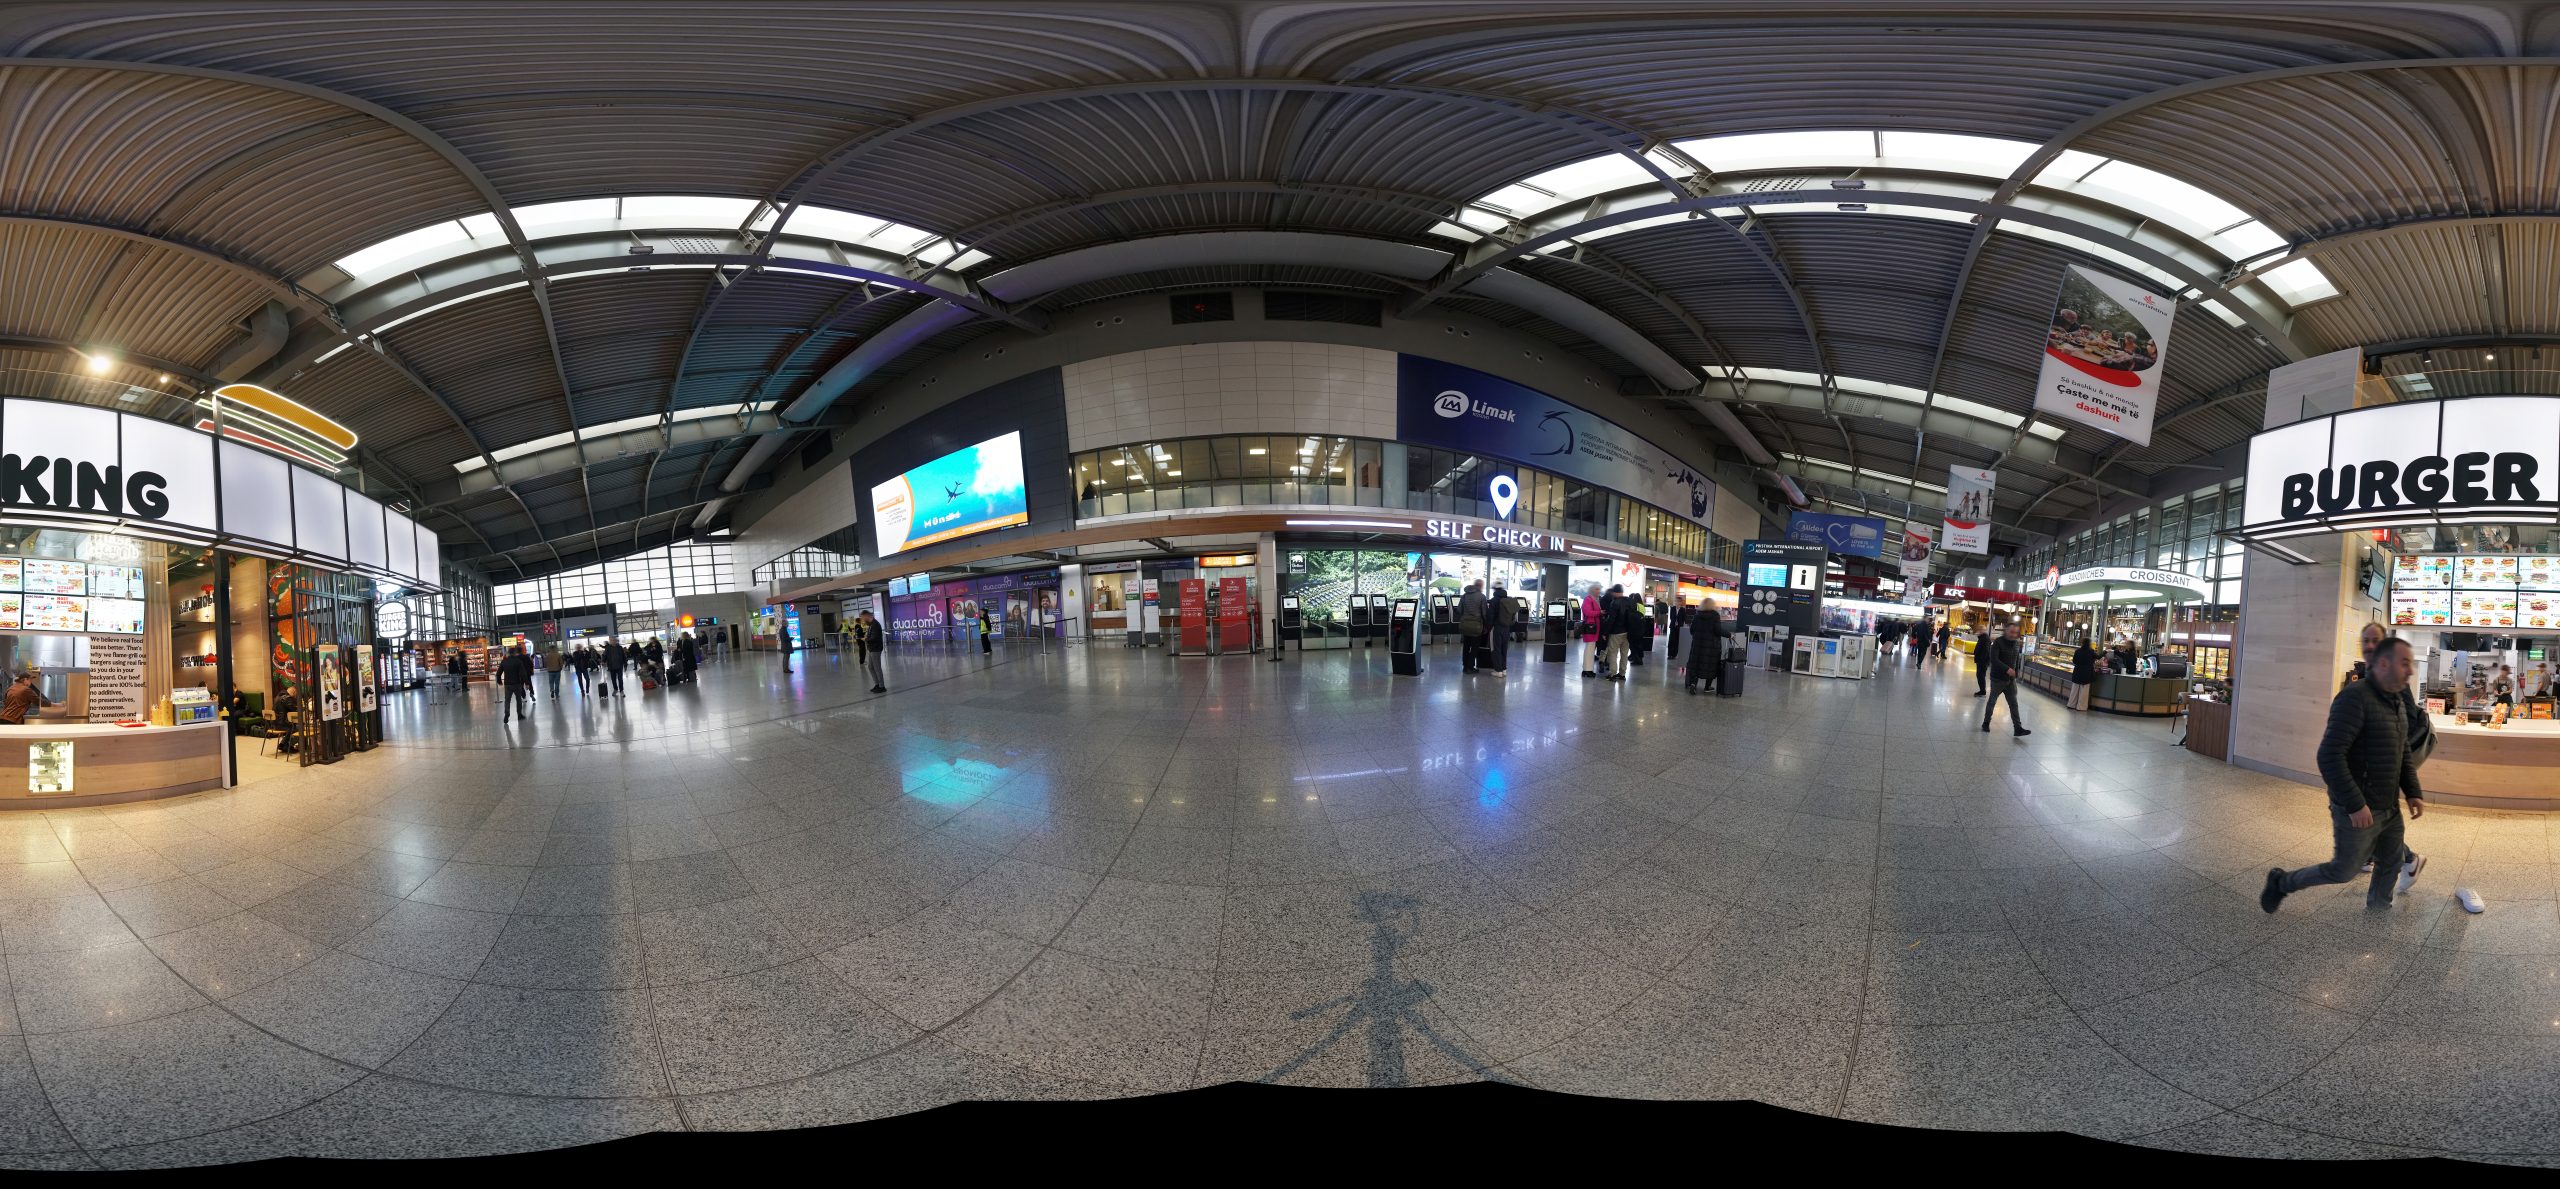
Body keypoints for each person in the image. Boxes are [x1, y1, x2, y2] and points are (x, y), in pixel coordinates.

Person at [2262, 636, 2427, 913]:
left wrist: (2412, 791)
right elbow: (2329, 756)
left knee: (2391, 862)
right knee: (2343, 870)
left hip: (2389, 806)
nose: (2410, 670)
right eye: (2405, 663)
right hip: (2358, 807)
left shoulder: (2397, 700)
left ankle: (2378, 912)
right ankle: (2282, 882)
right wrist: (2355, 804)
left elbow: (2403, 752)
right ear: (2383, 664)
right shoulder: (2354, 698)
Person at [1980, 622, 2031, 738]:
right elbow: (1994, 659)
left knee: (2014, 704)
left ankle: (2018, 728)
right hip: (1997, 679)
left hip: (2010, 680)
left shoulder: (2016, 643)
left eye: (2016, 633)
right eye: (2011, 632)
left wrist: (2016, 672)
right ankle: (1986, 723)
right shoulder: (1998, 642)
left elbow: (2016, 659)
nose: (2014, 635)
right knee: (1992, 701)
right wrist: (2007, 669)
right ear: (2006, 631)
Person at [1684, 602, 1727, 695]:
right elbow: (1718, 630)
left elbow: (1692, 630)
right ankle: (1707, 687)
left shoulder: (1697, 615)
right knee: (1711, 666)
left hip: (1697, 646)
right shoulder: (1715, 615)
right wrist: (1729, 635)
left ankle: (1693, 684)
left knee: (1696, 665)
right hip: (1711, 647)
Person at [1602, 585, 1635, 681]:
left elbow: (1611, 620)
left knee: (1613, 653)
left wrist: (1605, 632)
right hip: (1628, 632)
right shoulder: (1630, 601)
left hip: (1616, 632)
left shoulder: (1614, 603)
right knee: (1624, 654)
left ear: (1615, 592)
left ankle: (1612, 674)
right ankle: (1622, 674)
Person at [498, 645, 534, 722]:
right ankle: (519, 714)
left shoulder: (504, 661)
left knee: (507, 700)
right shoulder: (518, 661)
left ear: (508, 653)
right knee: (518, 699)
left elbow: (498, 673)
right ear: (514, 653)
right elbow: (523, 673)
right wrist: (527, 683)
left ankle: (507, 714)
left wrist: (499, 681)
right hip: (517, 683)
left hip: (507, 684)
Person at [1457, 580, 1486, 674]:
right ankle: (1470, 667)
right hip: (1476, 626)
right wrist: (1485, 624)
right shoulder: (1482, 596)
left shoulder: (1464, 596)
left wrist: (1465, 616)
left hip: (1465, 625)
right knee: (1474, 647)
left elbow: (1459, 609)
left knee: (1466, 646)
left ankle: (1465, 666)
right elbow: (1484, 613)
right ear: (1480, 586)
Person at [856, 610, 887, 693]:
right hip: (871, 649)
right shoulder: (871, 625)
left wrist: (865, 639)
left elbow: (874, 638)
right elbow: (871, 636)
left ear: (866, 616)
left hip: (876, 649)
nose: (862, 620)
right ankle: (877, 684)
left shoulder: (875, 625)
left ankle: (882, 686)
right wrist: (867, 636)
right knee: (871, 667)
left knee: (877, 668)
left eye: (862, 618)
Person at [1487, 585, 1512, 677]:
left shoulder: (1494, 600)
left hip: (1497, 628)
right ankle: (1504, 669)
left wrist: (1488, 627)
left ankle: (1498, 671)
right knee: (1504, 649)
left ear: (1495, 590)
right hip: (1507, 627)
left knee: (1496, 648)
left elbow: (1490, 616)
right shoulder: (1508, 600)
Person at [1580, 590, 1605, 678]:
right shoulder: (1588, 600)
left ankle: (1588, 669)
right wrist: (1599, 612)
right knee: (1589, 649)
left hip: (1593, 628)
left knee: (1591, 649)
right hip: (1590, 628)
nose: (1598, 592)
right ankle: (1587, 670)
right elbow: (1587, 612)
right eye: (1596, 590)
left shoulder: (1593, 600)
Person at [2070, 635, 2098, 711]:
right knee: (2084, 691)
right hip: (2086, 673)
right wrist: (2105, 652)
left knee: (2074, 690)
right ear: (2089, 643)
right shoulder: (2091, 651)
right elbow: (2098, 657)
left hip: (2077, 671)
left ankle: (2071, 704)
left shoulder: (2077, 650)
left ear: (2082, 642)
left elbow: (2074, 661)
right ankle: (2081, 707)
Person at [1971, 625, 1994, 697]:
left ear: (1983, 630)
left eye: (1980, 630)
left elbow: (1986, 651)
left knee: (1980, 676)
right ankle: (1982, 690)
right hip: (1981, 661)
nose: (1978, 631)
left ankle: (1982, 692)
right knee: (1979, 675)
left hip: (1983, 661)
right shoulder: (1982, 638)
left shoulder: (1985, 639)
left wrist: (1981, 660)